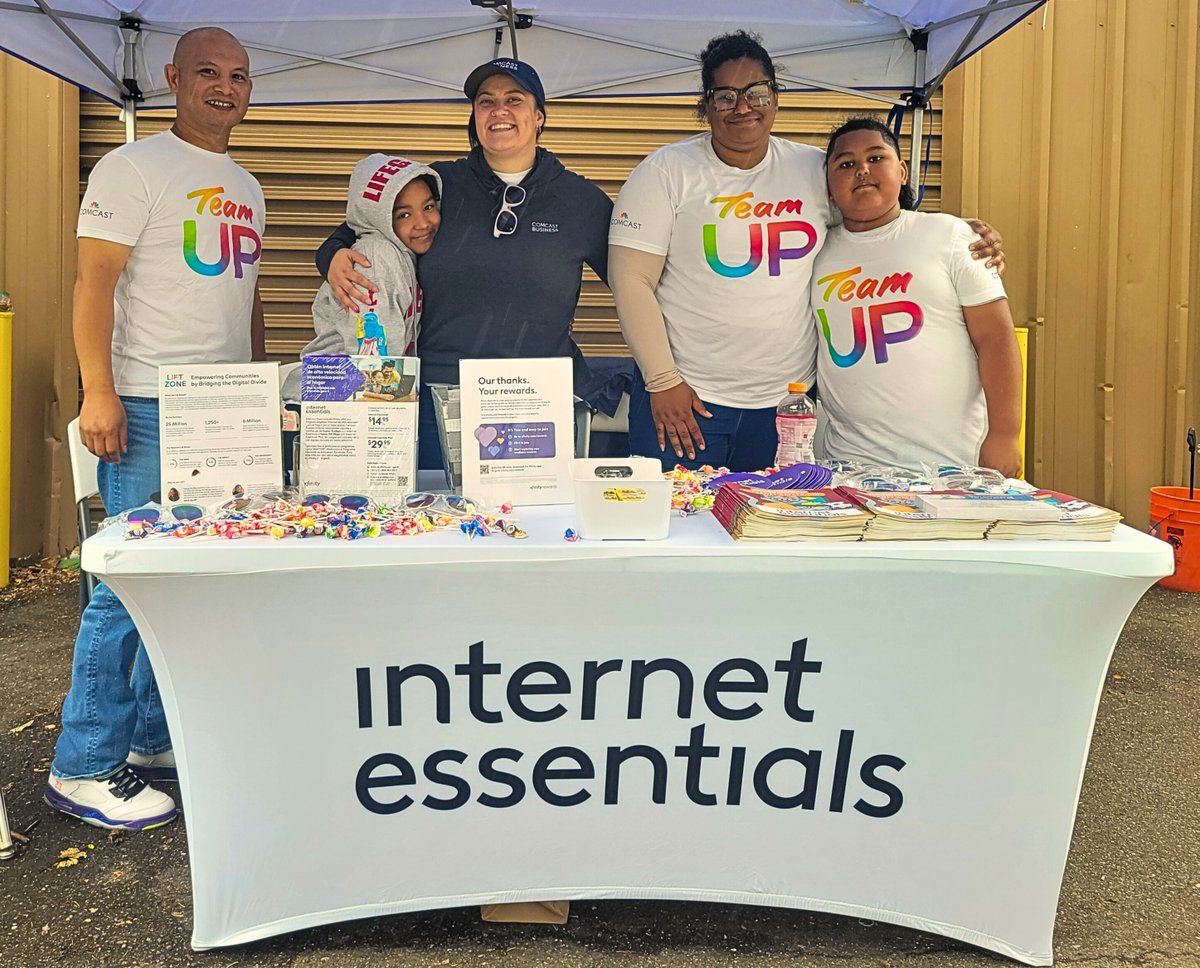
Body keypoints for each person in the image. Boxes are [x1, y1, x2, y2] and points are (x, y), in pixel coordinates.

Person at [47, 26, 265, 830]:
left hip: (220, 406)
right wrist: (97, 391)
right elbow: (92, 282)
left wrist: (257, 388)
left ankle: (146, 740)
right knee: (125, 585)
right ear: (172, 77)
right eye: (208, 72)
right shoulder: (130, 165)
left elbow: (246, 298)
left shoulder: (245, 182)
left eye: (239, 75)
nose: (225, 86)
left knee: (183, 580)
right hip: (143, 402)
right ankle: (82, 764)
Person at [608, 30, 1003, 472]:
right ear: (706, 104)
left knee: (771, 533)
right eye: (725, 96)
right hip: (687, 401)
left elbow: (874, 216)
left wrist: (958, 232)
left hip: (787, 407)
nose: (742, 106)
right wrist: (663, 381)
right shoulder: (665, 172)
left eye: (756, 92)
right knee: (677, 529)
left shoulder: (813, 168)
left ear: (776, 98)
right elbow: (631, 280)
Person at [315, 58, 612, 470]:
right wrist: (330, 257)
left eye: (514, 99)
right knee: (441, 525)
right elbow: (355, 228)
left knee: (533, 526)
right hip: (437, 398)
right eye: (486, 101)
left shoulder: (582, 202)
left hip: (535, 402)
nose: (499, 111)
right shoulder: (436, 183)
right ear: (474, 117)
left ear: (539, 116)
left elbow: (635, 281)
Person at [812, 117, 1022, 476]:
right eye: (845, 164)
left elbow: (995, 337)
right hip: (847, 466)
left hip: (951, 464)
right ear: (829, 187)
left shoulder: (952, 235)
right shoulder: (814, 253)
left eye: (876, 158)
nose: (862, 169)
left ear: (903, 171)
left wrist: (1005, 434)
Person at [281, 154, 441, 400]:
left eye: (428, 207)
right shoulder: (376, 258)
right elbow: (376, 361)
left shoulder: (402, 253)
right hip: (335, 405)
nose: (422, 223)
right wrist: (389, 425)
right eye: (404, 215)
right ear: (376, 217)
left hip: (346, 400)